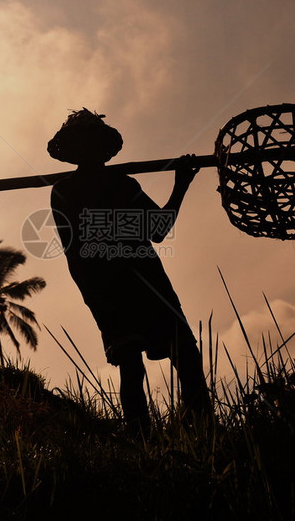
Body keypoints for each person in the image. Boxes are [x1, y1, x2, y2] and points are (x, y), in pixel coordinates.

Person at [48, 108, 211, 433]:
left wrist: (182, 184)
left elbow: (158, 229)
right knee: (133, 364)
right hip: (110, 288)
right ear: (77, 150)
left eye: (94, 143)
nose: (92, 151)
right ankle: (142, 438)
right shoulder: (66, 192)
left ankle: (203, 432)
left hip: (145, 283)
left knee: (184, 358)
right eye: (85, 143)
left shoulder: (121, 185)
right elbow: (75, 252)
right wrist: (94, 298)